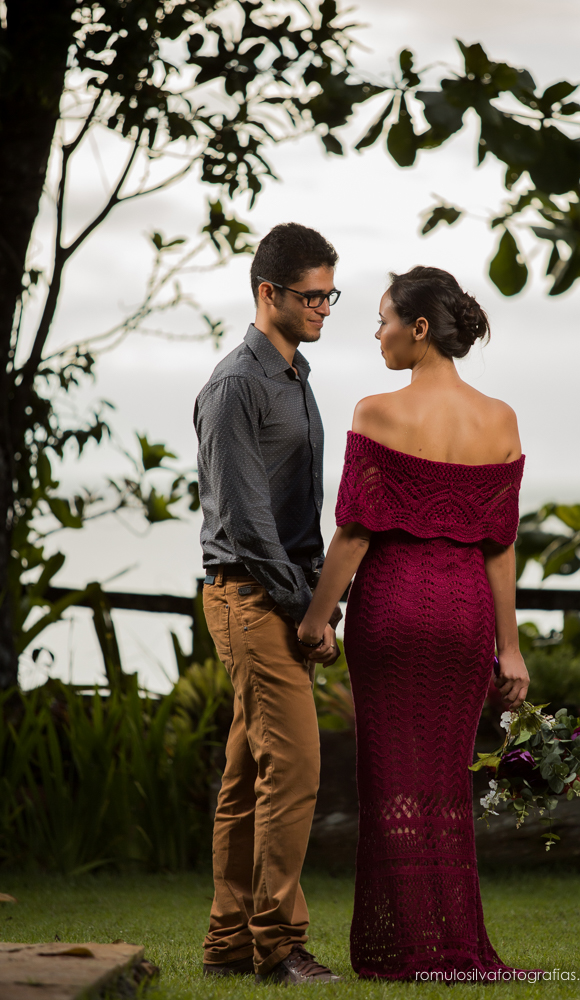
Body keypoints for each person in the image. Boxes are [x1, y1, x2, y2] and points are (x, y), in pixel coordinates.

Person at [298, 266, 532, 980]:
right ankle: (451, 944)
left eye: (382, 321)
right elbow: (499, 547)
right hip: (463, 620)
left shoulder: (375, 412)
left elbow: (354, 535)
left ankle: (402, 949)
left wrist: (315, 618)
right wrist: (510, 650)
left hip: (393, 612)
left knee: (391, 782)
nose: (377, 335)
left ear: (419, 329)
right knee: (441, 785)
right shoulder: (499, 419)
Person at [194, 222, 344, 985]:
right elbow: (250, 524)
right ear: (268, 293)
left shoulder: (294, 376)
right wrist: (306, 614)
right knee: (293, 770)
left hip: (279, 597)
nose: (323, 307)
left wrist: (314, 604)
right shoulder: (235, 386)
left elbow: (298, 518)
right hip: (252, 599)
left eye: (329, 294)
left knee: (249, 772)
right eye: (310, 296)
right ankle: (277, 944)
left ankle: (227, 941)